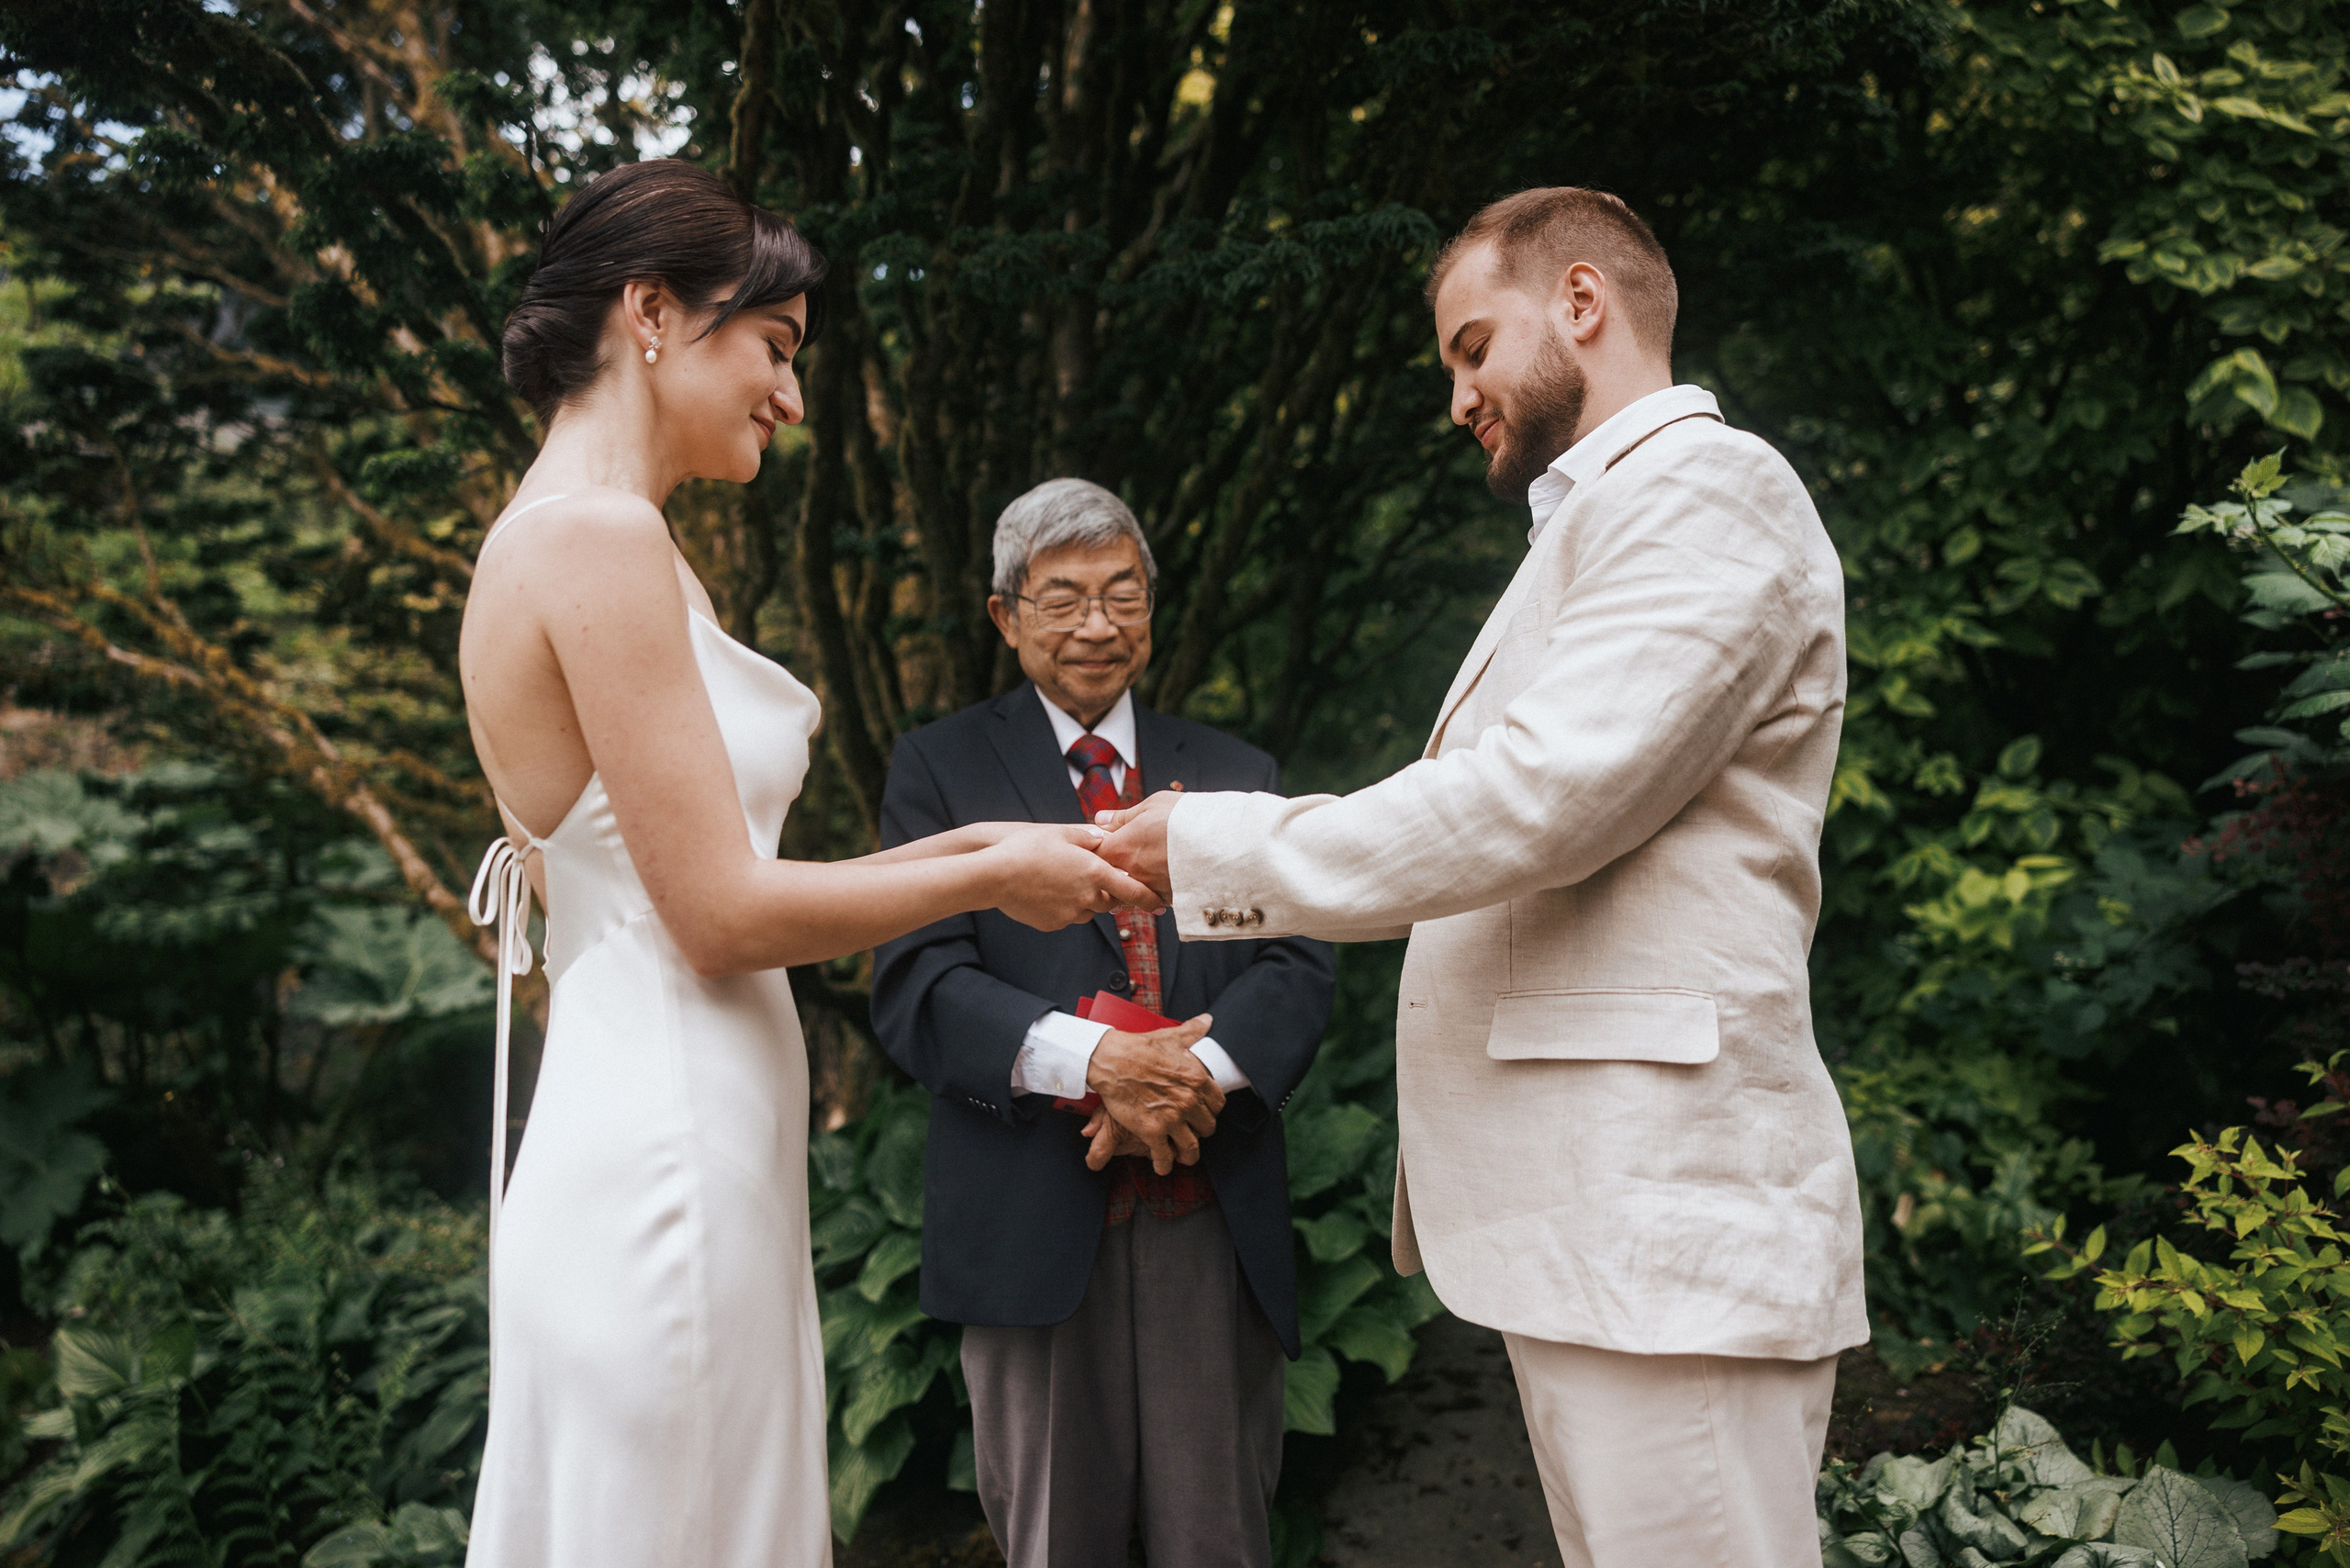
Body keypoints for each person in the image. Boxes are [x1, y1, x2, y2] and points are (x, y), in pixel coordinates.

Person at [1097, 187, 1868, 1568]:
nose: (1456, 397)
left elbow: (1541, 798)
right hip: (1601, 1231)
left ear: (1581, 300)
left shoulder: (1708, 488)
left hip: (1662, 1225)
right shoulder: (1603, 519)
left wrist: (1213, 849)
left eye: (1471, 348)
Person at [456, 160, 1157, 1568]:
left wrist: (1007, 840)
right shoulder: (598, 538)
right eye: (773, 347)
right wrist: (987, 878)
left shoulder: (578, 536)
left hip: (667, 1119)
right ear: (653, 313)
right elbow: (718, 915)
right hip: (665, 1155)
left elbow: (694, 868)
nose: (790, 395)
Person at [870, 479, 1336, 1568]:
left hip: (1209, 1211)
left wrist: (1193, 1076)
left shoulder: (1235, 773)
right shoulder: (938, 770)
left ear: (1151, 607)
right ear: (1005, 615)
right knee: (1053, 1541)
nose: (1096, 625)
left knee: (1219, 1537)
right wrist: (1099, 1063)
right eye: (1063, 598)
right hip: (1030, 1218)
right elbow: (919, 982)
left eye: (1122, 595)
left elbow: (1297, 963)